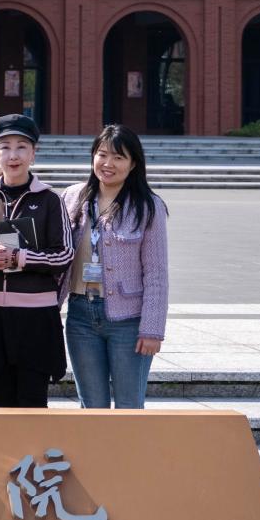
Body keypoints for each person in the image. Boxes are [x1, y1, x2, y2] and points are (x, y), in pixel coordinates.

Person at [0, 113, 75, 408]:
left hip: (35, 316)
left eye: (21, 147)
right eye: (5, 147)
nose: (13, 155)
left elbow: (65, 255)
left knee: (33, 400)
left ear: (33, 153)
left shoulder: (50, 200)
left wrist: (21, 257)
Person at [61, 124, 169, 409]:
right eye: (102, 154)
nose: (108, 163)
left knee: (129, 406)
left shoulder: (148, 206)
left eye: (118, 157)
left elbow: (156, 273)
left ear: (133, 164)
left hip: (128, 322)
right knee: (91, 405)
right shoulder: (72, 197)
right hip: (80, 315)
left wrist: (152, 329)